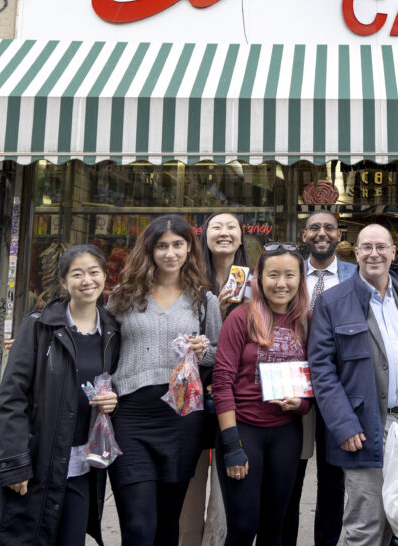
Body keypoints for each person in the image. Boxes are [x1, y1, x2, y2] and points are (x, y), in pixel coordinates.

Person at [0, 245, 120, 546]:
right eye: (77, 274)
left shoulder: (112, 331)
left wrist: (112, 399)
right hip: (37, 463)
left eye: (94, 272)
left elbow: (109, 384)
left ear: (104, 278)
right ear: (64, 282)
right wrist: (15, 463)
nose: (87, 280)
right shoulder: (38, 326)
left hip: (81, 465)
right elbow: (11, 398)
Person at [307, 223, 398, 546]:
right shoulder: (333, 302)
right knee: (366, 526)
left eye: (381, 247)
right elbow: (321, 370)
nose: (374, 253)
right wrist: (344, 425)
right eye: (366, 247)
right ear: (356, 252)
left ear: (394, 252)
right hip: (363, 428)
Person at [107, 215, 222, 546]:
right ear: (149, 249)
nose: (170, 253)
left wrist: (202, 352)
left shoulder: (204, 300)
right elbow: (100, 347)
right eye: (162, 246)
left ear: (189, 248)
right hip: (130, 417)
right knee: (138, 525)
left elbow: (218, 355)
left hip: (182, 418)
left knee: (167, 524)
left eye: (177, 244)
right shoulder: (123, 296)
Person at [213, 242, 313, 546]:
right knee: (243, 526)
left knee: (275, 527)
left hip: (285, 431)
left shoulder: (306, 321)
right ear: (259, 279)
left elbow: (315, 375)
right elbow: (222, 380)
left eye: (289, 275)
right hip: (243, 430)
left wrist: (302, 403)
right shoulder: (240, 318)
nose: (281, 283)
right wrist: (232, 445)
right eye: (272, 275)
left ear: (299, 279)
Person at [282, 211, 355, 546]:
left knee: (332, 480)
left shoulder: (356, 277)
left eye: (328, 227)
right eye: (315, 228)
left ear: (339, 235)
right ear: (304, 234)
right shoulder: (288, 275)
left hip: (337, 388)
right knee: (289, 477)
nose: (321, 233)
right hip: (292, 384)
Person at [180, 211, 250, 546]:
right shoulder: (187, 279)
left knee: (228, 490)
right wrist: (215, 316)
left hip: (236, 397)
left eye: (231, 227)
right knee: (189, 486)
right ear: (204, 235)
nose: (224, 233)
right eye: (216, 227)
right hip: (191, 395)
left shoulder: (256, 282)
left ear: (241, 236)